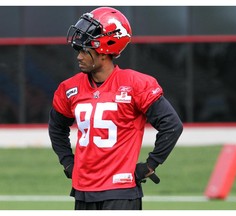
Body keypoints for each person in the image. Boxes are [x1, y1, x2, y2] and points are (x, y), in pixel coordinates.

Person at [48, 6, 183, 210]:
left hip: (120, 192)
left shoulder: (135, 84)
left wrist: (150, 165)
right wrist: (68, 161)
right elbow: (57, 127)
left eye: (85, 50)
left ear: (105, 51)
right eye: (78, 50)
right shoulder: (70, 88)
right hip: (83, 190)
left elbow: (172, 125)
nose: (79, 57)